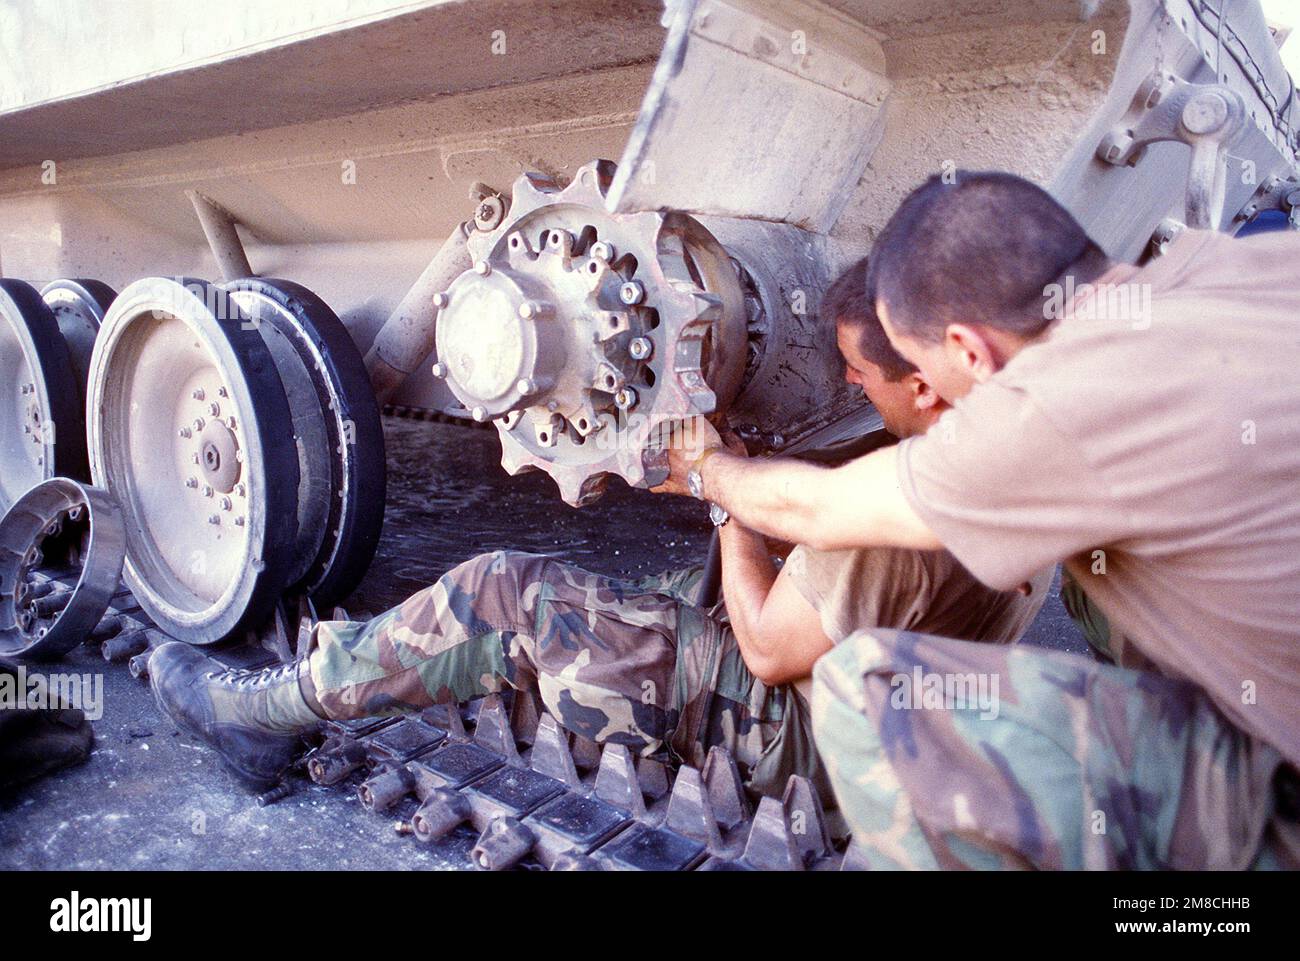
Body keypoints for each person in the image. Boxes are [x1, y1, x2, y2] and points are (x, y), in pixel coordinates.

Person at [147, 257, 1050, 811]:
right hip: (910, 717)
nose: (852, 388)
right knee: (654, 597)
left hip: (823, 743)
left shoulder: (890, 518)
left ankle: (259, 717)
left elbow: (771, 652)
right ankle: (424, 666)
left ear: (927, 380)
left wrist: (725, 493)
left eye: (862, 372)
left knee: (510, 592)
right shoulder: (1013, 445)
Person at [661, 171, 1300, 868]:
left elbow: (822, 509)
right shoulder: (1235, 266)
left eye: (920, 362)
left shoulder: (1060, 409)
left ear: (968, 349)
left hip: (1281, 801)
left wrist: (708, 470)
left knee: (866, 690)